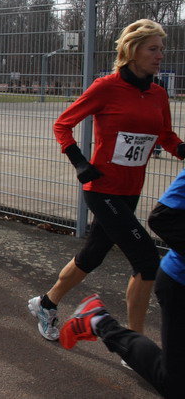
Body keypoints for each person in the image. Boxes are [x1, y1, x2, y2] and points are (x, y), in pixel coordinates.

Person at [29, 19, 185, 342]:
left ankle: (46, 303)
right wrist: (79, 162)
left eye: (162, 49)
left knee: (92, 255)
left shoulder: (158, 93)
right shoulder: (106, 87)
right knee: (146, 260)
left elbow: (166, 136)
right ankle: (134, 343)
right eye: (153, 49)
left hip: (131, 190)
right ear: (133, 50)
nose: (160, 56)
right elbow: (63, 124)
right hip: (102, 189)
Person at [60, 167, 185, 398]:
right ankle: (98, 321)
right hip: (179, 281)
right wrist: (79, 161)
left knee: (96, 253)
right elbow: (162, 218)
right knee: (175, 384)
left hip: (121, 191)